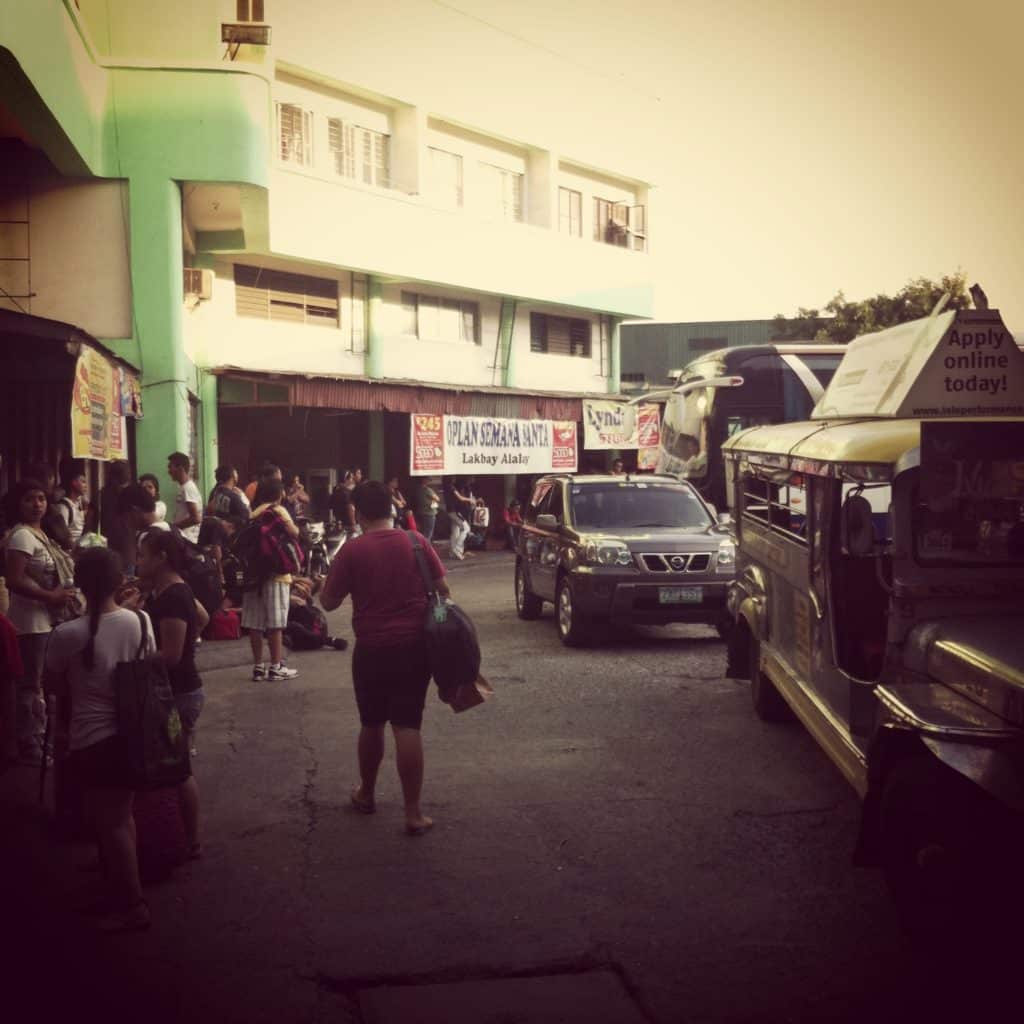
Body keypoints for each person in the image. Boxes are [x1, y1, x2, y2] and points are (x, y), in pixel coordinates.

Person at [320, 480, 449, 836]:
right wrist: (435, 628)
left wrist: (316, 585)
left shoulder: (353, 550)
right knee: (407, 726)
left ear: (359, 513)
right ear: (391, 507)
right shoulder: (416, 541)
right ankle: (413, 813)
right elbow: (443, 593)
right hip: (413, 649)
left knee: (372, 723)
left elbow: (328, 602)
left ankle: (367, 794)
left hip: (372, 650)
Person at [44, 547, 154, 932]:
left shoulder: (65, 634)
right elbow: (148, 666)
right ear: (119, 582)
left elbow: (53, 685)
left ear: (78, 584)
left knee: (112, 823)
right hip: (132, 734)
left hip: (92, 738)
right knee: (119, 819)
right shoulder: (140, 621)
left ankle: (132, 905)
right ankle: (119, 889)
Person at [133, 530, 206, 853]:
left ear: (161, 558)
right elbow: (202, 617)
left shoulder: (173, 595)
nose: (138, 561)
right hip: (178, 692)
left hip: (178, 696)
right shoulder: (169, 588)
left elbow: (172, 656)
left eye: (142, 555)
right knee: (175, 766)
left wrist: (131, 660)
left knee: (178, 770)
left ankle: (191, 841)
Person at [3, 479, 77, 764]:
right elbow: (15, 579)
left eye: (41, 499)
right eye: (29, 499)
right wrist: (49, 595)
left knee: (42, 684)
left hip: (47, 620)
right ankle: (29, 743)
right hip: (29, 623)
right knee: (30, 685)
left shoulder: (40, 533)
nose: (37, 505)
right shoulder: (21, 536)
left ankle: (41, 737)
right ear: (18, 504)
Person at [243, 478, 300, 681]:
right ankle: (276, 666)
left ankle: (258, 667)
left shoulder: (254, 513)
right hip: (277, 575)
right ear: (279, 494)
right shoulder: (278, 510)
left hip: (254, 575)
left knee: (255, 623)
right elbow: (295, 532)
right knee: (275, 624)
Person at [167, 452, 202, 544]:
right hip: (182, 538)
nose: (169, 471)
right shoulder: (184, 488)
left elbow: (196, 518)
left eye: (170, 467)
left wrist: (173, 527)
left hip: (187, 540)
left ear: (180, 468)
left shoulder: (188, 488)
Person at [55, 461, 91, 547]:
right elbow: (62, 538)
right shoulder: (63, 507)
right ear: (74, 482)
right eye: (83, 481)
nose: (86, 485)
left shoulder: (79, 503)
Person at [442, 476, 471, 561]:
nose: (454, 478)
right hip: (454, 511)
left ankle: (452, 553)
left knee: (455, 531)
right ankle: (457, 549)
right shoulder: (451, 487)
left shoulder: (446, 488)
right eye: (453, 477)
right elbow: (461, 498)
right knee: (466, 528)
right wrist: (470, 500)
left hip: (451, 511)